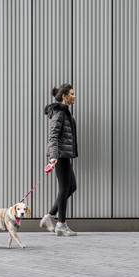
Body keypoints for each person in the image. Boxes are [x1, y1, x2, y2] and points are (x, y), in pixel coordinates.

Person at [40, 84, 78, 236]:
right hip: (60, 156)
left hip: (64, 155)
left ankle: (49, 217)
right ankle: (61, 224)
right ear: (65, 96)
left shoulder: (64, 112)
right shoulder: (60, 113)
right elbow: (53, 136)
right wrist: (54, 155)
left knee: (71, 187)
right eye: (72, 94)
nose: (75, 96)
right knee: (64, 188)